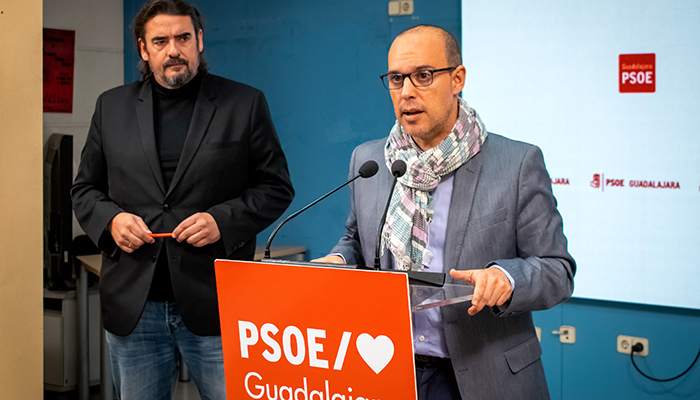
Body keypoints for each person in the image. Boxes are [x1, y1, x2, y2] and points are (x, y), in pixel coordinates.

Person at [313, 25, 575, 400]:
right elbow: (357, 240)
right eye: (396, 79)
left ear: (457, 79)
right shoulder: (369, 160)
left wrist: (506, 278)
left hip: (485, 376)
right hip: (387, 369)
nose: (407, 91)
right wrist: (339, 260)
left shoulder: (517, 163)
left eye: (423, 76)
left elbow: (557, 270)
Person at [71, 0, 294, 398]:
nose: (173, 49)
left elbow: (276, 187)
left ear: (199, 41)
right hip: (134, 307)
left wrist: (221, 221)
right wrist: (112, 221)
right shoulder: (111, 107)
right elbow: (85, 188)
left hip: (217, 303)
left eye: (183, 38)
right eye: (160, 41)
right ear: (144, 49)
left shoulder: (243, 103)